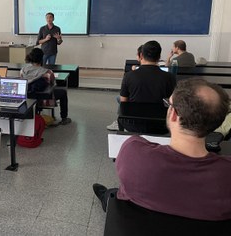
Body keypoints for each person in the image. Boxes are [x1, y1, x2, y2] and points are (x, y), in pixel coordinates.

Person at [94, 78, 231, 221]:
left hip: (140, 220)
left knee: (114, 195)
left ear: (172, 114)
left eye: (169, 104)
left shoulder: (133, 150)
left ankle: (106, 196)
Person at [107, 41, 176, 131]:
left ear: (141, 55)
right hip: (159, 126)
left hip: (133, 124)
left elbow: (124, 103)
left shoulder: (129, 76)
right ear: (159, 57)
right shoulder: (169, 77)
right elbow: (172, 102)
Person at [20, 48, 71, 125]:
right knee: (63, 92)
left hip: (27, 98)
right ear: (42, 58)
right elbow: (53, 84)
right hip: (44, 99)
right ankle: (64, 118)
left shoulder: (23, 70)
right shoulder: (47, 72)